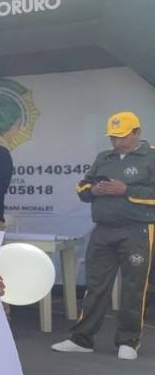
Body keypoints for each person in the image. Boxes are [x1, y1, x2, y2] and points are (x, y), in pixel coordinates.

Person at [52, 111, 155, 361]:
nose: (117, 142)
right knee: (95, 285)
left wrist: (126, 190)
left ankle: (129, 341)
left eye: (122, 137)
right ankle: (82, 339)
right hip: (103, 229)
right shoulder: (103, 157)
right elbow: (82, 187)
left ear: (137, 132)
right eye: (112, 137)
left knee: (134, 286)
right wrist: (94, 189)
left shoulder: (151, 156)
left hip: (137, 228)